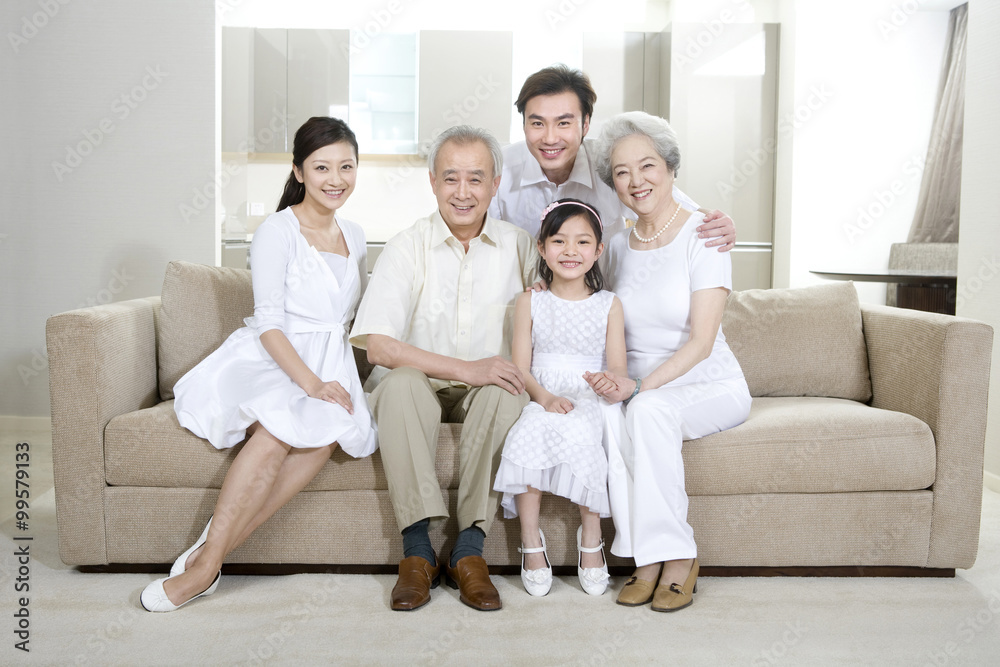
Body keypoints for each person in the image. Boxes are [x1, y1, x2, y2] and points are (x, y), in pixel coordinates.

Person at [141, 117, 378, 612]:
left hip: (328, 358)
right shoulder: (277, 230)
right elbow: (270, 323)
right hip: (275, 356)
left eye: (347, 166)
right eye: (322, 167)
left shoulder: (355, 233)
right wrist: (311, 384)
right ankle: (206, 569)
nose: (336, 179)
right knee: (276, 429)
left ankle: (211, 553)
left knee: (323, 437)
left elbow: (354, 316)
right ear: (298, 170)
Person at [349, 125, 536, 613]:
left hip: (487, 390)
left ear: (495, 185)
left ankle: (468, 553)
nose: (463, 191)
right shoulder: (407, 245)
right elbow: (380, 348)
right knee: (400, 385)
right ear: (432, 182)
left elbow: (565, 305)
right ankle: (417, 553)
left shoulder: (522, 246)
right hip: (421, 387)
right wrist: (467, 368)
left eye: (476, 178)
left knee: (507, 389)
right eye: (451, 178)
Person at [585, 111, 752, 613]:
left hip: (707, 381)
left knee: (648, 411)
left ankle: (675, 558)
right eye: (621, 172)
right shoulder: (615, 245)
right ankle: (648, 557)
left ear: (671, 167)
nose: (636, 181)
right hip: (640, 383)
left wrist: (641, 388)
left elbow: (702, 342)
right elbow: (596, 310)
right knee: (609, 415)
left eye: (648, 165)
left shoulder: (706, 235)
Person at [493, 198, 626, 598]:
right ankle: (531, 543)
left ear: (599, 250)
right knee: (526, 435)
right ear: (541, 246)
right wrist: (545, 398)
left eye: (583, 242)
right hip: (540, 392)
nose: (570, 251)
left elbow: (617, 368)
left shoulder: (609, 304)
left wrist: (607, 383)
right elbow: (521, 366)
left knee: (587, 439)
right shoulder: (530, 300)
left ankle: (591, 539)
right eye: (559, 241)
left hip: (587, 394)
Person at [488, 64, 736, 249]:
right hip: (523, 300)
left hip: (602, 302)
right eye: (538, 123)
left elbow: (669, 204)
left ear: (585, 124)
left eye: (563, 123)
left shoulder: (611, 161)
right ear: (523, 125)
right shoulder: (499, 166)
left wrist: (714, 222)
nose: (550, 138)